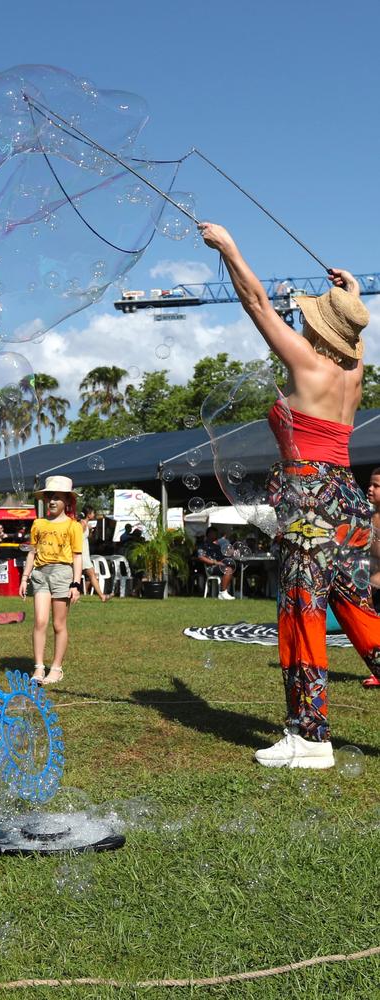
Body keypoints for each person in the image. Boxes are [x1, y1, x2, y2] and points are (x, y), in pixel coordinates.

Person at [200, 222, 380, 768]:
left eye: (311, 316)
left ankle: (309, 737)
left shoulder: (308, 361)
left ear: (322, 331)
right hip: (347, 498)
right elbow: (358, 336)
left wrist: (229, 246)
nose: (300, 319)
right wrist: (349, 296)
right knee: (356, 607)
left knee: (302, 610)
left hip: (307, 498)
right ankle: (309, 731)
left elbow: (256, 302)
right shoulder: (354, 369)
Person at [19, 476, 83, 684]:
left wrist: (76, 583)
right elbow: (31, 552)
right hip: (40, 574)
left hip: (62, 574)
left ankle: (56, 668)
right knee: (40, 621)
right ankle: (38, 667)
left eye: (57, 497)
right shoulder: (38, 524)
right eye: (49, 498)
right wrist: (24, 577)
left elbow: (77, 556)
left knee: (58, 624)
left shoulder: (73, 526)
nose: (52, 501)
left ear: (67, 501)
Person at [364, 467, 380, 688]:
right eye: (370, 484)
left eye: (377, 485)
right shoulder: (369, 517)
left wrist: (375, 580)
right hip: (372, 581)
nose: (370, 488)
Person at [78, 507, 112, 601]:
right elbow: (78, 538)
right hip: (81, 553)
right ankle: (102, 596)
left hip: (84, 553)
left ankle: (102, 596)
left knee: (86, 575)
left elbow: (87, 538)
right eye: (93, 513)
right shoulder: (82, 524)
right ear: (88, 514)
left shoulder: (86, 524)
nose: (94, 515)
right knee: (90, 575)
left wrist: (91, 531)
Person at [196, 526, 235, 600]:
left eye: (216, 534)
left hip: (219, 565)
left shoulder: (217, 546)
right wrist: (215, 562)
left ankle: (234, 591)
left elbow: (223, 557)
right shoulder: (203, 546)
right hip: (211, 568)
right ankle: (223, 592)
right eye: (214, 534)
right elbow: (201, 557)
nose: (216, 536)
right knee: (228, 569)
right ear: (209, 534)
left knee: (234, 567)